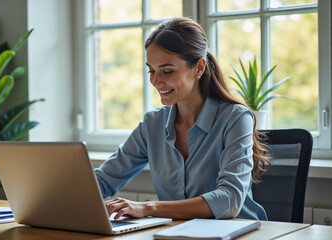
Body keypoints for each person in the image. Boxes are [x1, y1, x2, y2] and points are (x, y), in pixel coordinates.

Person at [94, 17, 270, 220]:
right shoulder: (153, 124)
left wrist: (148, 208)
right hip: (177, 234)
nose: (155, 81)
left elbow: (229, 200)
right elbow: (105, 180)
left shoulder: (235, 119)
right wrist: (57, 197)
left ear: (199, 68)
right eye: (151, 70)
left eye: (167, 71)